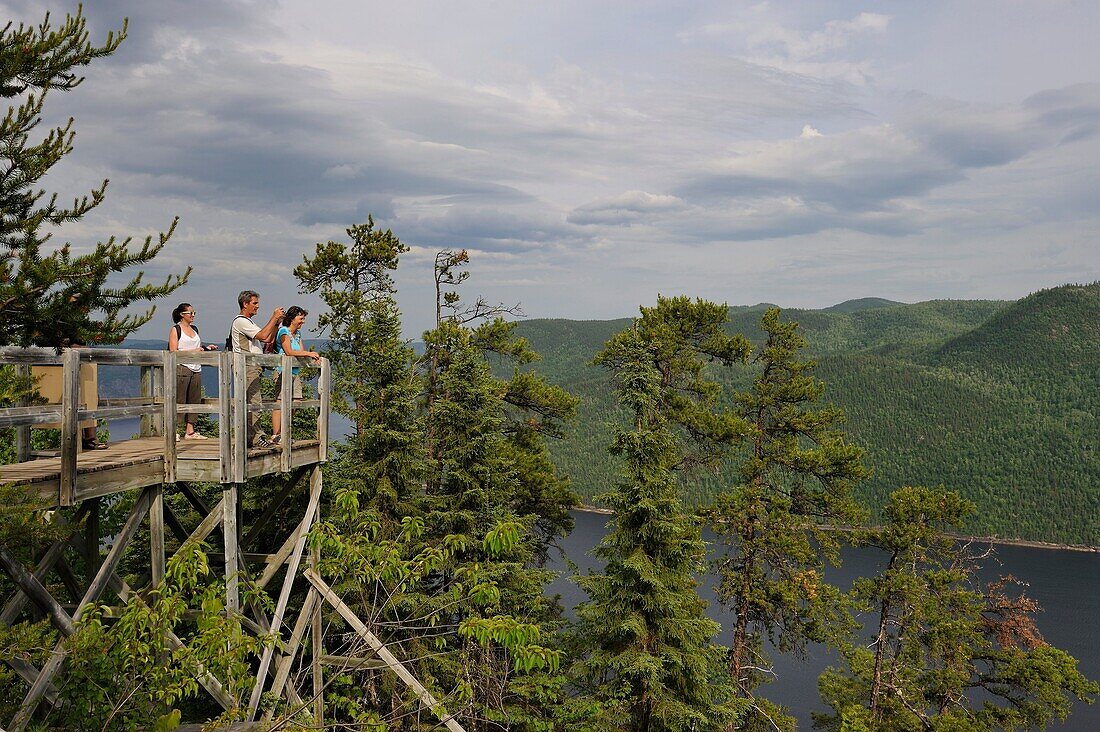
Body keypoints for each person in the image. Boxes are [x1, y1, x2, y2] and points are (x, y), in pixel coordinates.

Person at [229, 291, 284, 448]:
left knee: (252, 402)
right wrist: (273, 318)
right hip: (247, 366)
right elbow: (262, 335)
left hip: (252, 367)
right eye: (255, 303)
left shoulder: (248, 322)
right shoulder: (241, 321)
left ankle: (251, 437)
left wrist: (276, 323)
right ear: (245, 304)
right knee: (254, 402)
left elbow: (268, 338)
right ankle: (256, 438)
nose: (257, 306)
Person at [271, 306, 321, 445]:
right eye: (301, 318)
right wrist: (308, 354)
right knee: (280, 402)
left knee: (296, 402)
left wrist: (313, 357)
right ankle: (276, 435)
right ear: (292, 318)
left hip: (294, 372)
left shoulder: (297, 334)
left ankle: (284, 432)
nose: (303, 321)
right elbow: (288, 351)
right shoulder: (283, 331)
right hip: (282, 371)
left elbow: (301, 351)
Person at [168, 303, 218, 440]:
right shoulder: (176, 329)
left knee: (194, 399)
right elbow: (173, 351)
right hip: (182, 367)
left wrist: (206, 348)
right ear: (181, 315)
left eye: (194, 312)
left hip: (196, 367)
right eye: (190, 313)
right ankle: (174, 430)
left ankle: (190, 431)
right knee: (180, 399)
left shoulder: (194, 329)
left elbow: (196, 346)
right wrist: (194, 351)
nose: (193, 315)